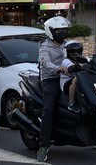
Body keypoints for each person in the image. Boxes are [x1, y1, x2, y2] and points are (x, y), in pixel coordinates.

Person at [37, 16, 71, 163]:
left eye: (63, 30)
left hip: (68, 76)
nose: (61, 32)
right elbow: (45, 62)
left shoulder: (67, 45)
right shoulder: (45, 46)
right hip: (51, 78)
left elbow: (78, 55)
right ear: (50, 32)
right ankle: (43, 146)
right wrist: (57, 69)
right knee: (48, 109)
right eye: (58, 30)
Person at [59, 41, 84, 113]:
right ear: (67, 53)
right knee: (77, 78)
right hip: (66, 84)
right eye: (72, 52)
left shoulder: (81, 59)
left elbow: (89, 62)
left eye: (78, 52)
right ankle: (71, 103)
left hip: (78, 81)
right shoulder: (66, 61)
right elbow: (73, 68)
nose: (76, 54)